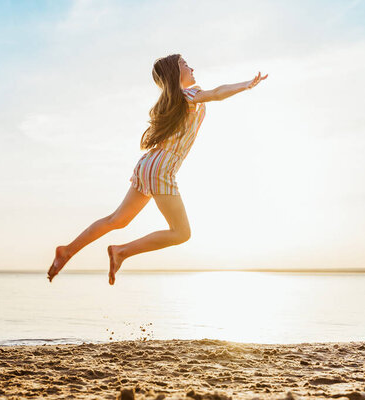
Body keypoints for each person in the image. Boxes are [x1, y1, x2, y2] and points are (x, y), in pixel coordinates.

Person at [47, 53, 268, 285]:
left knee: (117, 220)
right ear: (175, 73)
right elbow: (216, 93)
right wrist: (246, 85)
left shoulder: (175, 100)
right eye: (185, 64)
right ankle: (121, 252)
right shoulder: (189, 95)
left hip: (148, 165)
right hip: (162, 168)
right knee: (181, 233)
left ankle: (68, 251)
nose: (191, 67)